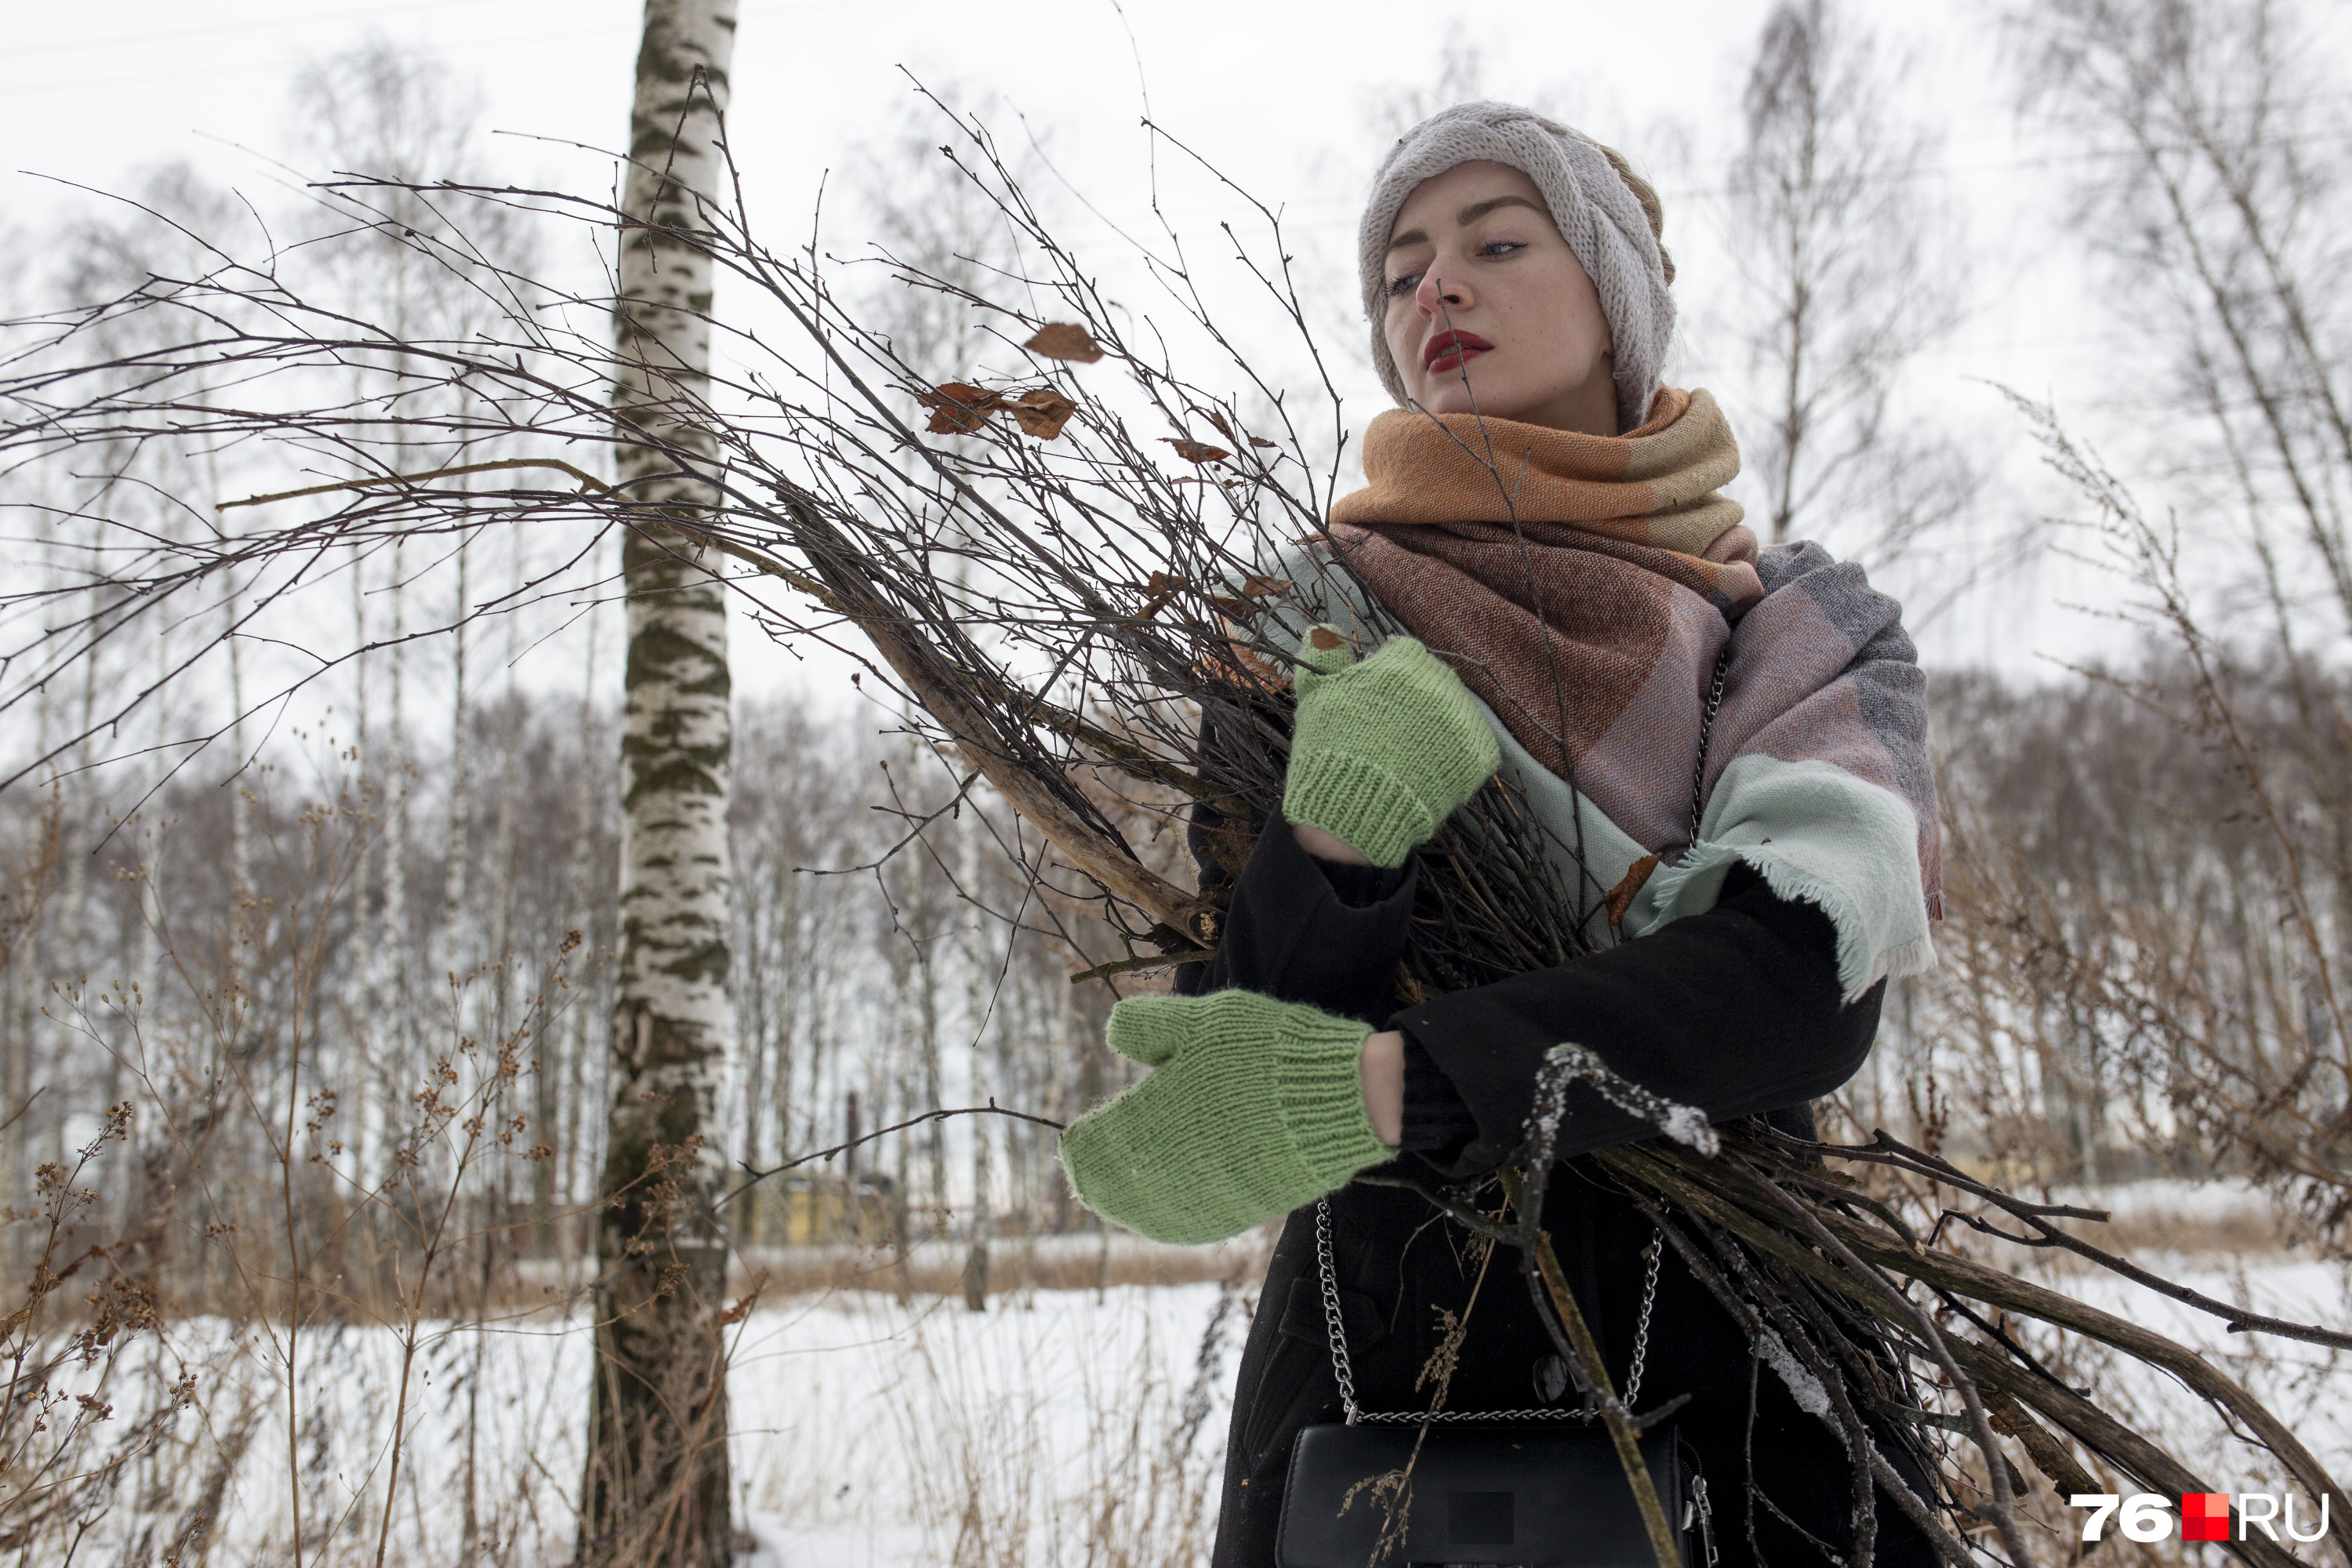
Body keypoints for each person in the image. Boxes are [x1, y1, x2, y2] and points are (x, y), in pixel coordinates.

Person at [1058, 102, 1946, 1567]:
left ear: (1618, 300)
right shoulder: (1312, 623)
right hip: (1382, 1371)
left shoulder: (1799, 636)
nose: (1436, 290)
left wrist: (1400, 1084)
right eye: (1401, 268)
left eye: (1497, 242)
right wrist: (1341, 841)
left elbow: (1798, 986)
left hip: (1734, 1344)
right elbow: (1250, 1037)